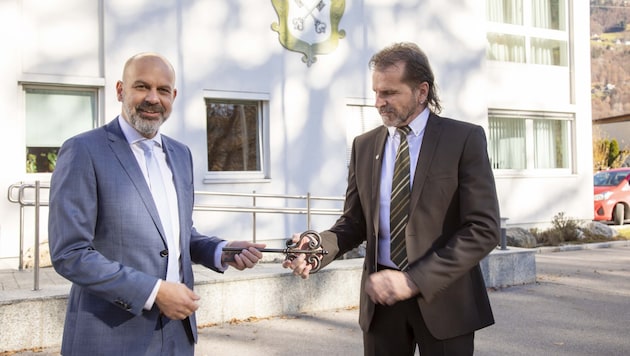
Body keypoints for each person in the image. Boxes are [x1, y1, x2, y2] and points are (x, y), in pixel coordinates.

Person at [283, 42, 500, 355]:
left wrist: (413, 280)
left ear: (421, 91)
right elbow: (354, 222)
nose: (378, 102)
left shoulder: (463, 139)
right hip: (381, 304)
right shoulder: (364, 146)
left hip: (445, 301)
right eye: (375, 92)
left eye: (389, 93)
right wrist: (316, 247)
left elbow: (484, 228)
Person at [48, 52, 265, 355]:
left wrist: (221, 250)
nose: (153, 98)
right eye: (142, 87)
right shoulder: (83, 150)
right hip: (109, 338)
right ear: (121, 91)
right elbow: (70, 253)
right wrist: (154, 292)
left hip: (177, 336)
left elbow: (177, 236)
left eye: (163, 90)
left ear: (173, 96)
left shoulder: (180, 154)